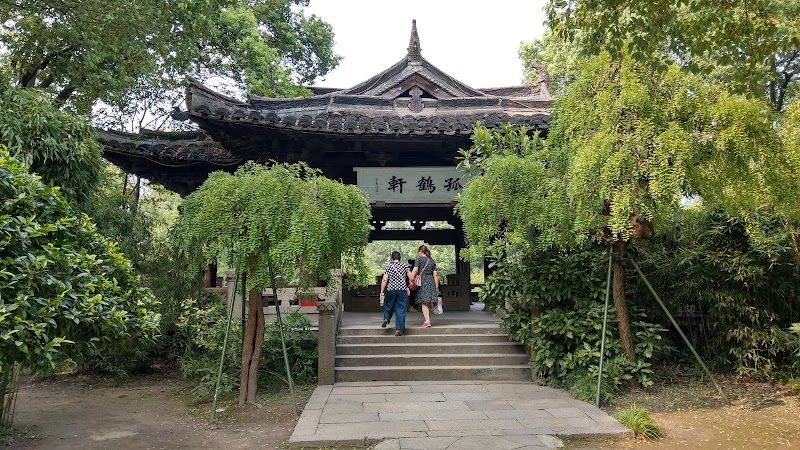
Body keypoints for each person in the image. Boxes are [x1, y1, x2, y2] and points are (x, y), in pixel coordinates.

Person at [379, 250, 410, 336]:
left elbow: (384, 280)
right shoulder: (404, 266)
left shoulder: (388, 267)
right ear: (400, 258)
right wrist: (410, 285)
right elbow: (410, 277)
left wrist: (381, 292)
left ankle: (386, 318)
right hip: (402, 290)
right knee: (401, 309)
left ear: (392, 258)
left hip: (391, 289)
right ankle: (398, 329)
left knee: (388, 305)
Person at [408, 244, 439, 328]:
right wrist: (436, 287)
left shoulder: (419, 259)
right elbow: (435, 275)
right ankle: (427, 319)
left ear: (421, 251)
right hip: (431, 282)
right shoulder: (432, 261)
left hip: (423, 282)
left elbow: (415, 270)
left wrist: (411, 279)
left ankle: (427, 321)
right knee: (428, 301)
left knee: (424, 303)